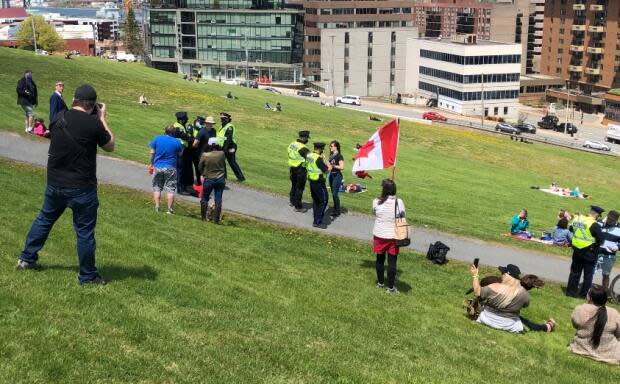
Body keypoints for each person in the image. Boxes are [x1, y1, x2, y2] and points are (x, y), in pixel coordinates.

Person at [16, 84, 114, 285]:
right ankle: (87, 275)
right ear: (93, 105)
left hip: (55, 181)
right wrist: (102, 118)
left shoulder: (59, 117)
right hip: (82, 186)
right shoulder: (94, 123)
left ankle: (26, 258)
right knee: (84, 232)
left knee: (44, 219)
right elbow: (110, 145)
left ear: (75, 100)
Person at [470, 263, 530, 333]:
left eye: (502, 273)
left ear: (506, 275)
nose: (501, 276)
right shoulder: (524, 294)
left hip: (486, 320)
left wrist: (475, 275)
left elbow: (477, 292)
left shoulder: (494, 286)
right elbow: (526, 305)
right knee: (519, 322)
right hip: (508, 326)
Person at [569, 285, 620, 365]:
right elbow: (618, 333)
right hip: (610, 354)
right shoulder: (614, 313)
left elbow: (575, 325)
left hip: (581, 348)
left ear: (590, 298)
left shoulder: (580, 309)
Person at [373, 179, 405, 293]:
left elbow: (375, 213)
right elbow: (402, 216)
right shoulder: (399, 202)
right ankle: (390, 287)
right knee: (392, 262)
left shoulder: (376, 201)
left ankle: (381, 283)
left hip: (380, 234)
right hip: (393, 236)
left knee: (380, 259)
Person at [566, 206, 605, 298]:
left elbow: (571, 229)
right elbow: (601, 239)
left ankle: (570, 293)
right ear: (596, 215)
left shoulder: (578, 218)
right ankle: (583, 295)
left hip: (577, 250)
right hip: (589, 252)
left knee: (574, 272)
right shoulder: (594, 224)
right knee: (588, 275)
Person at [149, 124, 184, 214]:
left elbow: (152, 152)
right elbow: (180, 154)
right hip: (171, 167)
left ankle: (157, 206)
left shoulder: (157, 138)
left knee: (157, 187)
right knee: (170, 189)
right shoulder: (177, 142)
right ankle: (169, 209)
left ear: (165, 131)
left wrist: (151, 163)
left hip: (158, 166)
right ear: (174, 132)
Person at [198, 137, 227, 224]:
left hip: (209, 179)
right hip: (220, 179)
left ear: (209, 144)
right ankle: (216, 220)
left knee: (205, 198)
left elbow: (200, 167)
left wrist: (203, 174)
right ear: (217, 144)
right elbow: (224, 165)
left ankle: (203, 218)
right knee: (218, 199)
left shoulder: (205, 155)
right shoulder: (222, 154)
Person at [306, 142, 331, 229]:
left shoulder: (309, 155)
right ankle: (317, 221)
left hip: (311, 180)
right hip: (319, 182)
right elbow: (326, 170)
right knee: (324, 200)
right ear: (320, 149)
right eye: (322, 149)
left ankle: (315, 217)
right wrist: (328, 165)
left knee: (316, 200)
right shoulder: (318, 159)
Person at [217, 112, 245, 182]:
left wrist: (224, 150)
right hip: (223, 146)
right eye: (221, 118)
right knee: (222, 161)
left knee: (232, 162)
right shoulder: (222, 126)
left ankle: (241, 178)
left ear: (227, 119)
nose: (221, 120)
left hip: (230, 146)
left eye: (223, 118)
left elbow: (228, 139)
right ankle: (224, 177)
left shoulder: (229, 126)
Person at [596, 210, 619, 291]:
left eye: (612, 220)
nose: (609, 221)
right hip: (596, 252)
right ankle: (586, 290)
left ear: (616, 220)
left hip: (609, 256)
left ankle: (604, 292)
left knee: (606, 274)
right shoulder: (599, 223)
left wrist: (617, 247)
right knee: (590, 272)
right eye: (609, 219)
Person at [288, 131, 311, 212]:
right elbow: (310, 160)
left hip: (292, 168)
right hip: (300, 170)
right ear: (304, 138)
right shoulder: (303, 148)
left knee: (294, 185)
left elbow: (289, 153)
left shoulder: (292, 144)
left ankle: (292, 200)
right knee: (300, 188)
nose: (307, 140)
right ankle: (298, 206)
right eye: (307, 138)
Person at [172, 112, 192, 194]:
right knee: (180, 170)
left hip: (183, 150)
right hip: (180, 151)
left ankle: (182, 186)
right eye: (185, 118)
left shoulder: (181, 126)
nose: (186, 119)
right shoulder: (178, 128)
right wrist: (191, 136)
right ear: (181, 120)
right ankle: (180, 189)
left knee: (182, 169)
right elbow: (185, 137)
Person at [16, 69, 38, 134]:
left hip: (30, 101)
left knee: (27, 115)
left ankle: (26, 129)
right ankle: (30, 129)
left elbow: (35, 92)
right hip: (24, 101)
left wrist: (36, 101)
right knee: (31, 114)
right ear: (25, 74)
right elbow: (18, 90)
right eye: (29, 74)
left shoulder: (31, 82)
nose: (31, 75)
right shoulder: (21, 81)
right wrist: (25, 92)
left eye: (31, 74)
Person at [328, 140, 344, 219]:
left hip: (337, 176)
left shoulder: (339, 156)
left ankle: (337, 210)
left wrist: (333, 165)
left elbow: (342, 167)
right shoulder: (331, 155)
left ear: (336, 147)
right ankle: (335, 208)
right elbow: (329, 166)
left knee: (335, 193)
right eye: (330, 146)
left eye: (332, 146)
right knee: (333, 193)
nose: (330, 147)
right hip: (331, 175)